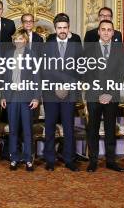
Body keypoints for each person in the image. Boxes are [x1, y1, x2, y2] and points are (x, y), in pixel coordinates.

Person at [42, 13, 83, 171]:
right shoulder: (48, 44)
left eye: (65, 27)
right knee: (50, 125)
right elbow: (45, 69)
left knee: (68, 126)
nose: (62, 30)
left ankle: (69, 159)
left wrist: (66, 86)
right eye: (59, 28)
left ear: (69, 27)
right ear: (55, 29)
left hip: (70, 92)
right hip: (51, 92)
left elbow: (80, 69)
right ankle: (50, 159)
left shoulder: (75, 45)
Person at [83, 19, 124, 172]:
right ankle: (93, 161)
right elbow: (86, 74)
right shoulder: (89, 49)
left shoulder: (119, 49)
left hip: (112, 96)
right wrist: (100, 93)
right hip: (94, 95)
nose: (106, 32)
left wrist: (109, 93)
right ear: (98, 32)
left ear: (113, 33)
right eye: (103, 29)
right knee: (92, 129)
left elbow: (121, 74)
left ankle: (111, 161)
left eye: (109, 30)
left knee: (110, 129)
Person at [0, 29, 40, 172]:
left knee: (28, 130)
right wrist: (3, 95)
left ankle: (29, 159)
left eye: (21, 39)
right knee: (13, 129)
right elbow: (4, 78)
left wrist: (36, 97)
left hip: (27, 97)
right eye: (16, 38)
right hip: (12, 97)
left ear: (25, 40)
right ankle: (14, 158)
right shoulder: (8, 55)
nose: (18, 41)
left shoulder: (32, 55)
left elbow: (37, 78)